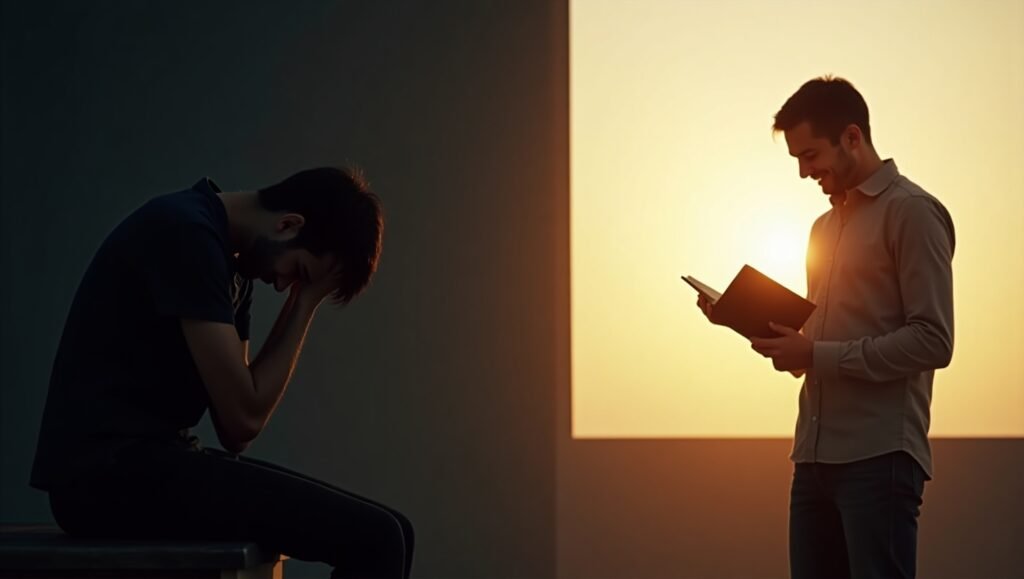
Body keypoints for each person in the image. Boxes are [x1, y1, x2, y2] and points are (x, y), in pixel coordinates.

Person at [30, 167, 414, 579]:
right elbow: (242, 416)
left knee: (396, 530)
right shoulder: (187, 234)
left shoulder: (230, 266)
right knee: (377, 540)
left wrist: (306, 300)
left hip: (153, 461)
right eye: (299, 274)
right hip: (104, 474)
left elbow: (239, 432)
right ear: (288, 225)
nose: (284, 287)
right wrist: (303, 306)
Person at [698, 76, 955, 578]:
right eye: (797, 158)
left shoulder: (914, 214)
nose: (802, 172)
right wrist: (757, 328)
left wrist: (814, 355)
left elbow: (934, 340)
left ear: (853, 138)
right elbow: (817, 345)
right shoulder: (821, 228)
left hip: (880, 460)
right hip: (812, 462)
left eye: (810, 155)